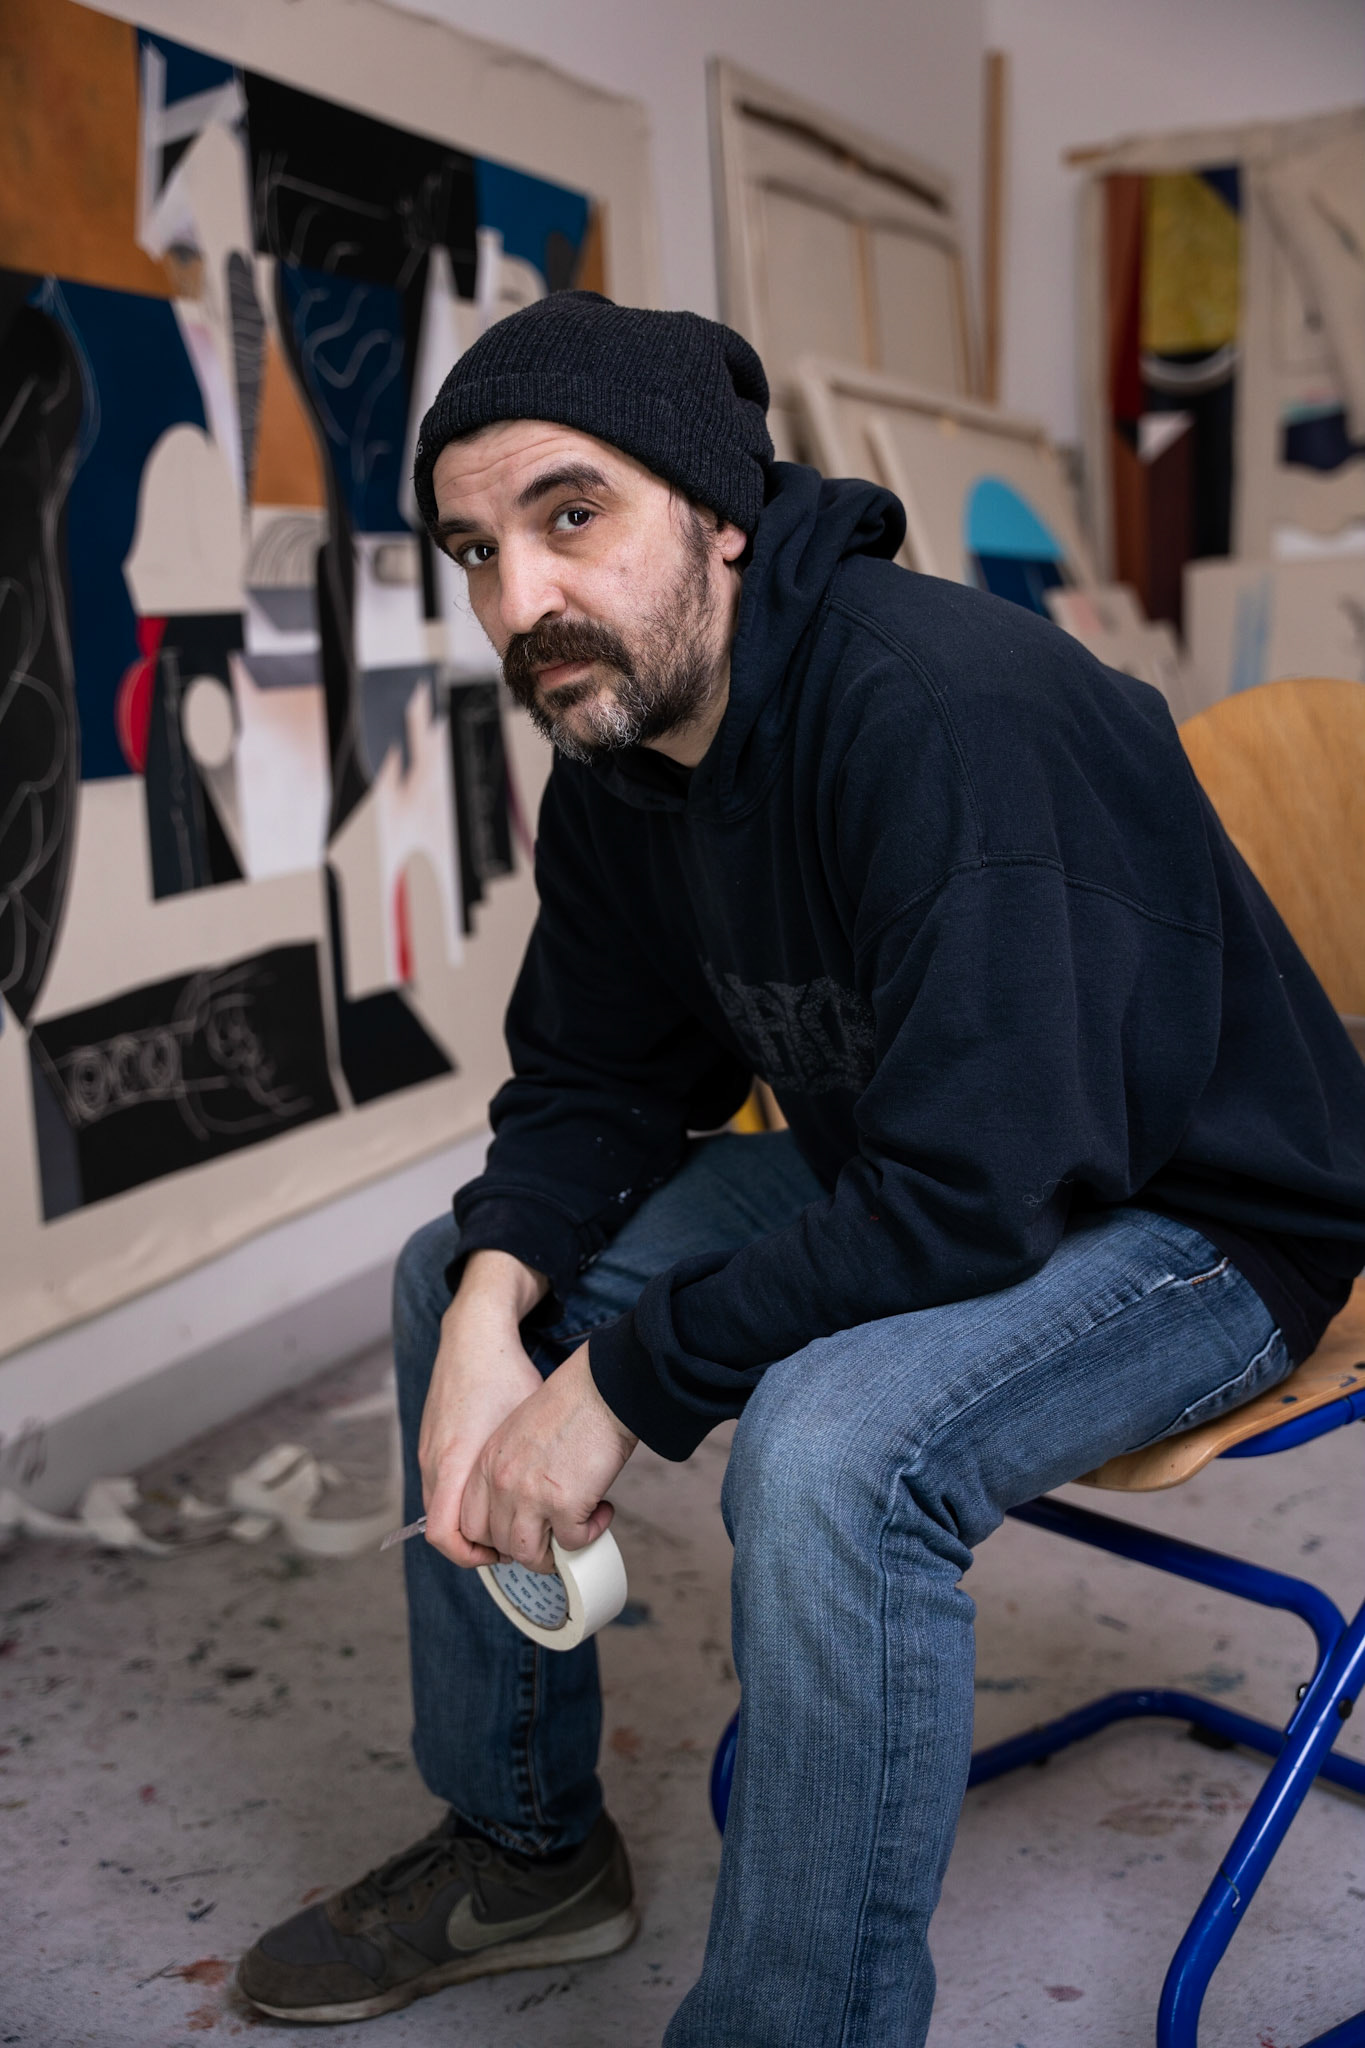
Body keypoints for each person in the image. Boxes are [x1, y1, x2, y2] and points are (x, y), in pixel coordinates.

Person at [236, 293, 1365, 2044]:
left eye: (570, 514)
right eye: (476, 552)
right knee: (453, 1270)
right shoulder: (620, 743)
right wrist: (490, 1314)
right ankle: (525, 1849)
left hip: (1198, 1219)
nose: (520, 601)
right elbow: (596, 1081)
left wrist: (618, 1383)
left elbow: (972, 1193)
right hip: (921, 1165)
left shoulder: (944, 711)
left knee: (834, 1451)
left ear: (720, 513)